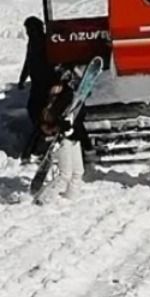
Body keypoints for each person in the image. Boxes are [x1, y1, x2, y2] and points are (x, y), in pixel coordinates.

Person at [37, 65, 94, 201]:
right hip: (61, 138)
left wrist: (86, 144)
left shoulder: (73, 97)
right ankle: (43, 199)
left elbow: (78, 121)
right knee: (65, 174)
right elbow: (48, 117)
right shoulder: (55, 98)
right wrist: (59, 125)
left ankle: (71, 197)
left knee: (78, 172)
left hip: (73, 137)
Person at [18, 16, 52, 159]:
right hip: (36, 83)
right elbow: (28, 61)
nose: (27, 32)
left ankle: (42, 141)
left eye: (29, 29)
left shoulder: (44, 41)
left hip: (46, 83)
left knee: (39, 112)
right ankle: (40, 138)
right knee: (34, 111)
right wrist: (22, 78)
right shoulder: (32, 43)